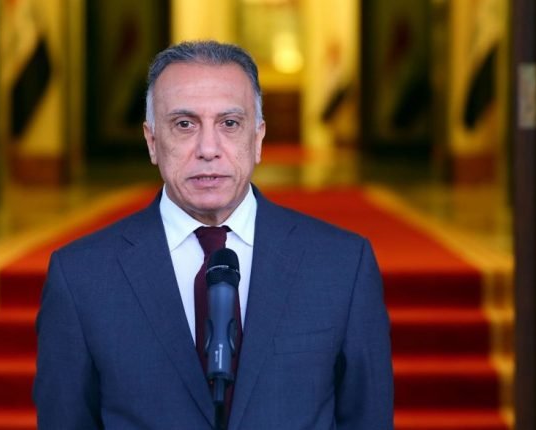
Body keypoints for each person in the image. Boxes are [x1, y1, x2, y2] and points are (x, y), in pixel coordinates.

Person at [33, 40, 393, 429]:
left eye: (229, 123)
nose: (208, 149)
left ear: (257, 139)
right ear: (152, 142)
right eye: (184, 124)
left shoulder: (343, 266)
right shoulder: (80, 277)